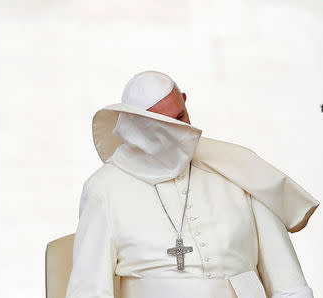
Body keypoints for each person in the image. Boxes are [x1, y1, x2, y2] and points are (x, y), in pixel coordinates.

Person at [65, 70, 319, 298]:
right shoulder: (105, 188)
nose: (180, 131)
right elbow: (89, 291)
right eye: (164, 126)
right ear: (136, 128)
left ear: (185, 100)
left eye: (180, 116)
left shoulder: (238, 166)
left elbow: (288, 281)